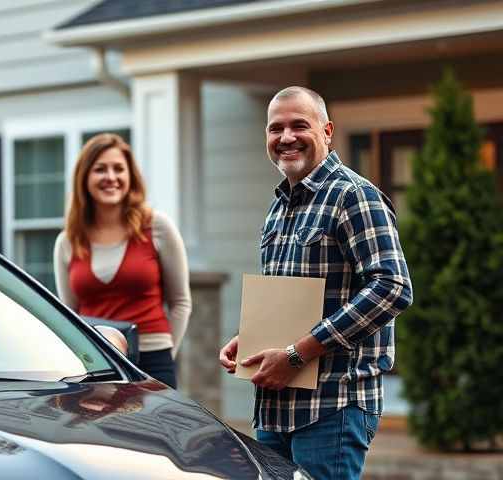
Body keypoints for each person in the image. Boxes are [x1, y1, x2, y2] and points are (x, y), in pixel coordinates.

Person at [218, 87, 412, 479]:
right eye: (276, 129)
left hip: (333, 405)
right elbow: (289, 299)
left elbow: (391, 287)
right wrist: (251, 339)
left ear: (327, 131)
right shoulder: (278, 207)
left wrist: (296, 354)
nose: (286, 137)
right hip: (275, 407)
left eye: (298, 125)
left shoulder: (354, 196)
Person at [54, 133, 192, 389]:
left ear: (130, 177)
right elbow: (68, 314)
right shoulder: (67, 241)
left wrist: (164, 357)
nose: (111, 177)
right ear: (84, 178)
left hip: (154, 361)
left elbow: (180, 303)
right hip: (96, 363)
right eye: (100, 169)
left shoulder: (157, 227)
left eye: (119, 169)